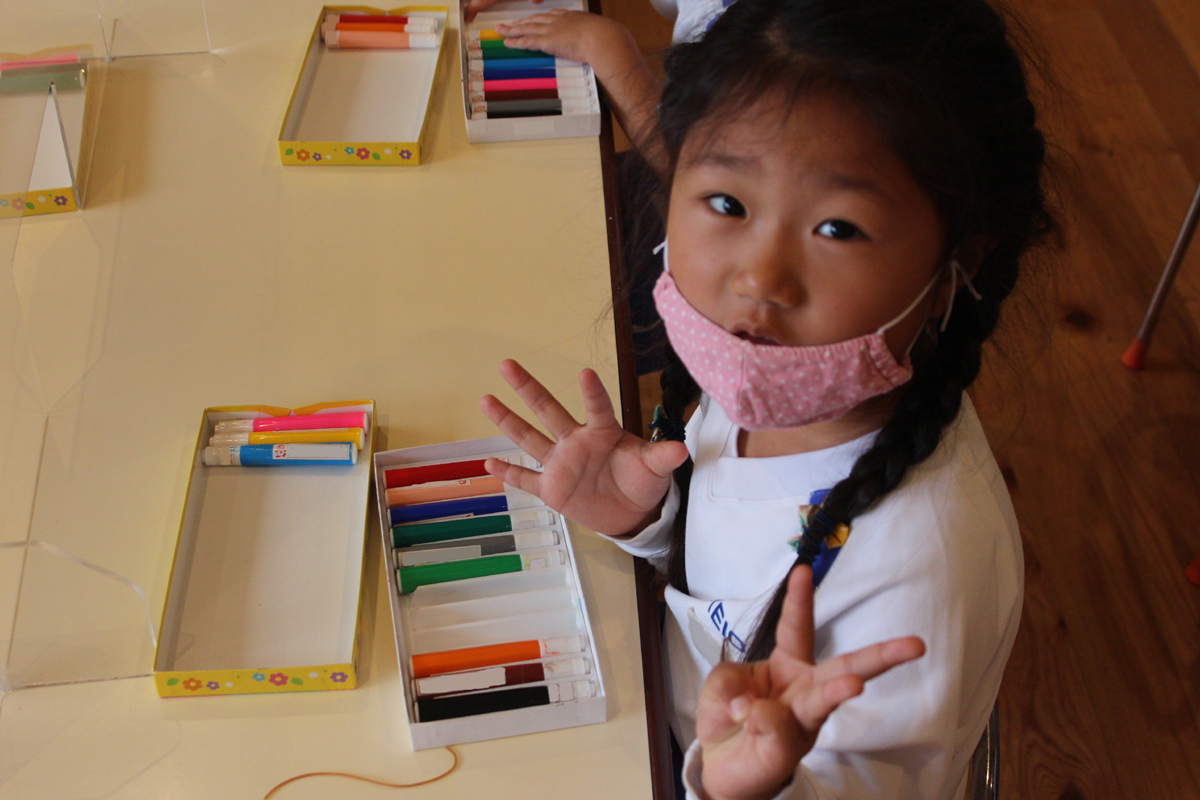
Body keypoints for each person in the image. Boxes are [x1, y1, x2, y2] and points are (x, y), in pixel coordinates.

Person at [479, 0, 1053, 797]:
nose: (760, 278)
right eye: (727, 204)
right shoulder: (772, 381)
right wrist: (648, 522)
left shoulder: (920, 572)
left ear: (962, 260)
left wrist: (738, 785)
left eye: (838, 229)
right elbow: (732, 574)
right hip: (652, 727)